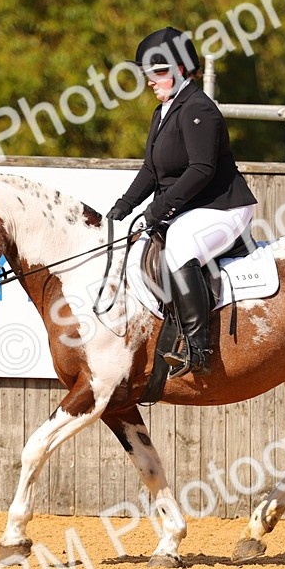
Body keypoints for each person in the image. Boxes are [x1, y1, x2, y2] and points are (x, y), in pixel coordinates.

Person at [107, 27, 258, 378]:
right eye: (146, 73)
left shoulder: (198, 109)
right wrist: (122, 207)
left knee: (179, 245)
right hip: (194, 206)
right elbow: (151, 169)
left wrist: (160, 209)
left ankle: (197, 347)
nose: (149, 81)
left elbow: (201, 169)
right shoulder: (163, 111)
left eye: (156, 72)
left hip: (224, 206)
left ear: (180, 69)